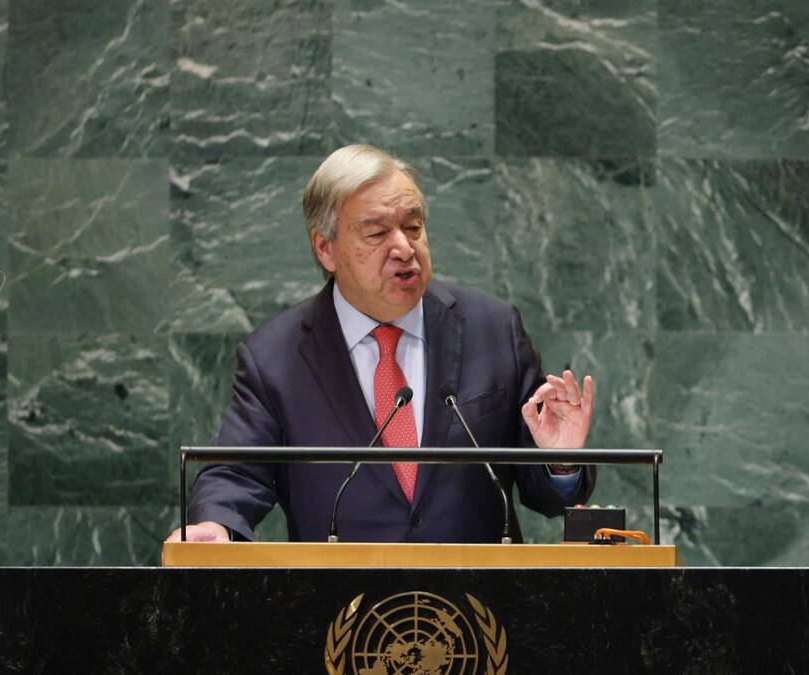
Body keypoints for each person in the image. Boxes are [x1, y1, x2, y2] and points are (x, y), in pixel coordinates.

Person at [166, 144, 596, 544]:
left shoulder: (492, 329)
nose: (404, 248)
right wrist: (215, 524)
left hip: (476, 613)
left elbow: (549, 497)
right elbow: (237, 472)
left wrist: (559, 463)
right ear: (326, 249)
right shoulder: (275, 357)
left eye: (413, 227)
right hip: (343, 616)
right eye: (376, 234)